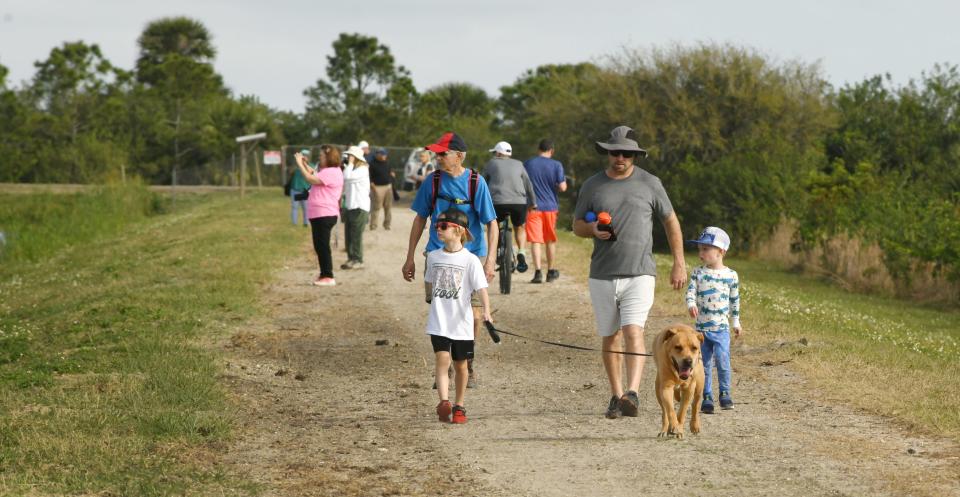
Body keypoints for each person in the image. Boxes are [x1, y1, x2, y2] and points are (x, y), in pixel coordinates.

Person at [573, 125, 686, 419]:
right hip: (602, 273)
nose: (619, 157)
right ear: (608, 153)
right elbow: (576, 226)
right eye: (614, 152)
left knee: (633, 330)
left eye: (625, 153)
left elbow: (670, 221)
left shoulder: (650, 183)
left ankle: (632, 393)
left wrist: (679, 262)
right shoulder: (592, 185)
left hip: (640, 273)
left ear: (634, 155)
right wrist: (593, 229)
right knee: (610, 336)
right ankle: (616, 394)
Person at [402, 131, 498, 388]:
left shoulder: (476, 183)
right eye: (437, 153)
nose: (438, 157)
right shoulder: (432, 182)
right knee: (442, 313)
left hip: (471, 256)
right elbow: (420, 219)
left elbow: (492, 223)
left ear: (459, 156)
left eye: (443, 154)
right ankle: (445, 368)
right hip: (436, 255)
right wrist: (410, 257)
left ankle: (467, 361)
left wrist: (489, 261)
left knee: (475, 315)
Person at [425, 208, 493, 424]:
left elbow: (481, 288)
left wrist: (486, 311)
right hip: (439, 322)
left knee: (461, 364)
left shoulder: (470, 260)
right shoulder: (433, 257)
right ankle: (444, 401)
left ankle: (460, 404)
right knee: (442, 359)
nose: (438, 230)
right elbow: (428, 281)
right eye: (437, 226)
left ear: (459, 230)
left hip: (461, 323)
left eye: (443, 226)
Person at [685, 226, 742, 414]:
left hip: (721, 329)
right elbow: (691, 291)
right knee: (704, 363)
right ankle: (706, 395)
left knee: (723, 360)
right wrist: (691, 304)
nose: (701, 253)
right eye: (700, 249)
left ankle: (725, 392)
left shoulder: (731, 275)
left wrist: (735, 322)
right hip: (701, 330)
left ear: (721, 252)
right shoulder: (698, 273)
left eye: (706, 249)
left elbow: (734, 300)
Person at [482, 141, 536, 273]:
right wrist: (533, 202)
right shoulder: (519, 164)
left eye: (495, 152)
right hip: (518, 202)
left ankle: (493, 253)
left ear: (499, 153)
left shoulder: (491, 163)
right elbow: (528, 184)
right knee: (519, 227)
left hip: (497, 202)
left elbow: (482, 182)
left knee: (492, 225)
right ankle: (522, 251)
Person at [295, 145, 344, 287]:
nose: (319, 158)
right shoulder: (327, 171)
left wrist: (299, 164)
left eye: (321, 156)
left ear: (329, 158)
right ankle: (324, 273)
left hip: (325, 213)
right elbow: (313, 173)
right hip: (319, 214)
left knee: (322, 246)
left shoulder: (332, 172)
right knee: (319, 245)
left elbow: (310, 178)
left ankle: (328, 276)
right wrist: (304, 163)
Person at [523, 139, 567, 283]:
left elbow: (522, 182)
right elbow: (563, 187)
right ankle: (550, 272)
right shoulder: (556, 165)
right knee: (549, 240)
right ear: (552, 150)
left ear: (538, 149)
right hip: (550, 207)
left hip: (533, 207)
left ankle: (537, 273)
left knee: (536, 241)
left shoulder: (528, 163)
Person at [340, 146, 370, 270]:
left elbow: (347, 177)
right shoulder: (351, 168)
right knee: (349, 235)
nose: (348, 158)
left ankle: (358, 259)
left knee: (356, 235)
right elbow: (344, 177)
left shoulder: (363, 169)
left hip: (359, 207)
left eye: (350, 156)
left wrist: (350, 163)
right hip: (350, 206)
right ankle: (351, 258)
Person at [368, 147, 394, 230]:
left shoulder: (388, 163)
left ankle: (387, 225)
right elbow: (369, 176)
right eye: (382, 154)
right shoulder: (372, 164)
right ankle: (373, 225)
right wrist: (372, 185)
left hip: (388, 187)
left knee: (388, 207)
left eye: (385, 154)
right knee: (376, 207)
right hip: (377, 187)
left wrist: (392, 179)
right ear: (377, 154)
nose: (384, 156)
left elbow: (391, 172)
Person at [288, 149, 312, 227]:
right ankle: (294, 223)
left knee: (306, 208)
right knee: (294, 207)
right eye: (302, 155)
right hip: (295, 189)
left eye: (305, 156)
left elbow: (311, 174)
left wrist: (304, 164)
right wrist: (297, 164)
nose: (304, 157)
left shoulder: (311, 166)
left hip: (305, 190)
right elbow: (290, 172)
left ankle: (306, 223)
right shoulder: (296, 165)